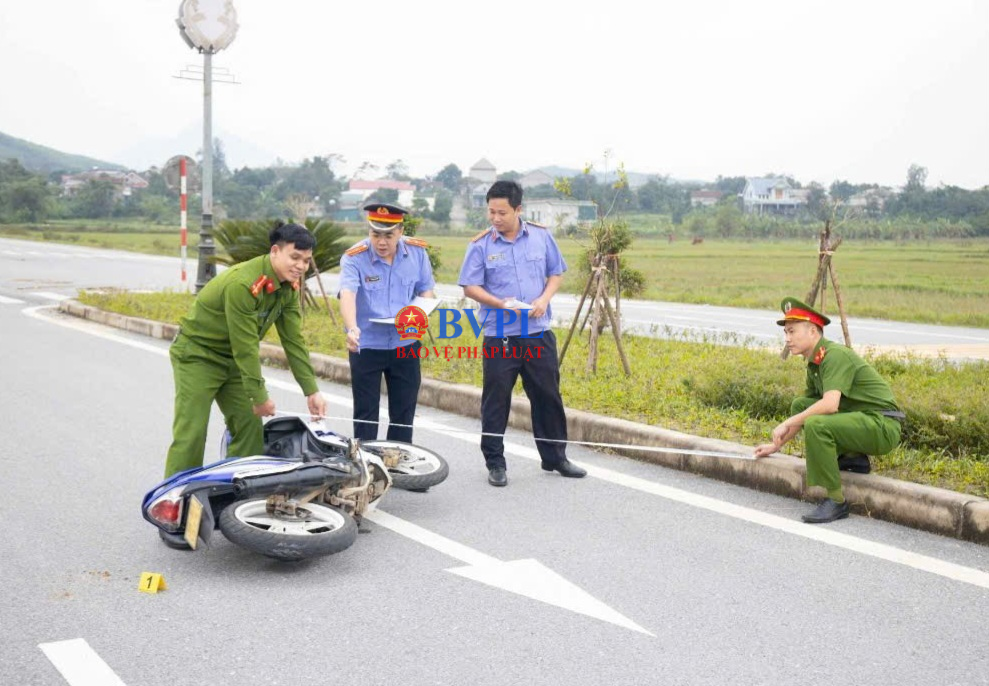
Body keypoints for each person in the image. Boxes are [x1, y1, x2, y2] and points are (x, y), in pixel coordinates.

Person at [165, 222, 327, 478]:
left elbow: (293, 340)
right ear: (275, 251)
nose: (300, 266)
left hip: (234, 363)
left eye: (306, 261)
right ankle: (175, 499)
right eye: (294, 257)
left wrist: (312, 391)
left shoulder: (288, 288)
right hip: (198, 356)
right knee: (192, 430)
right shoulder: (243, 284)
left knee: (250, 429)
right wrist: (259, 396)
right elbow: (246, 346)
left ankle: (233, 491)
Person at [457, 180, 586, 487]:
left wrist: (544, 299)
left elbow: (556, 273)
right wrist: (499, 303)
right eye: (491, 212)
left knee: (547, 396)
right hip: (500, 333)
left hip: (537, 332)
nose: (496, 218)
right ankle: (495, 463)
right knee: (496, 400)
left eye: (502, 212)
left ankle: (556, 457)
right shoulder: (480, 245)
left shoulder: (541, 237)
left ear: (518, 209)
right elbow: (470, 286)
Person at [754, 297, 905, 524]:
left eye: (792, 332)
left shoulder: (834, 356)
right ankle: (853, 458)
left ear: (813, 331)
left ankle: (836, 500)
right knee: (801, 405)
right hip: (863, 421)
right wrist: (776, 445)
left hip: (882, 426)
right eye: (786, 333)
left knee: (816, 422)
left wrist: (787, 422)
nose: (787, 339)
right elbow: (806, 407)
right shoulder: (815, 362)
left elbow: (830, 405)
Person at [338, 202, 435, 443]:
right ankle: (368, 465)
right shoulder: (354, 257)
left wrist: (419, 314)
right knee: (366, 413)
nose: (381, 242)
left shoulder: (417, 253)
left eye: (388, 236)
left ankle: (398, 461)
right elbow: (348, 294)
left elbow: (426, 290)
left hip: (405, 342)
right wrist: (352, 328)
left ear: (400, 232)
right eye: (375, 235)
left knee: (403, 412)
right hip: (367, 343)